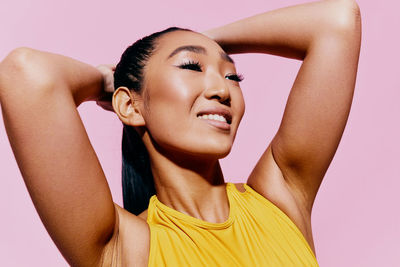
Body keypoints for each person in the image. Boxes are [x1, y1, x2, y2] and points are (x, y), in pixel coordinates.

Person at [0, 0, 361, 266]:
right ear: (130, 107)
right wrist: (112, 83)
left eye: (233, 75)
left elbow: (338, 20)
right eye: (191, 66)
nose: (223, 88)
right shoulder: (125, 249)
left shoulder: (281, 202)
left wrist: (199, 40)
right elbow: (25, 72)